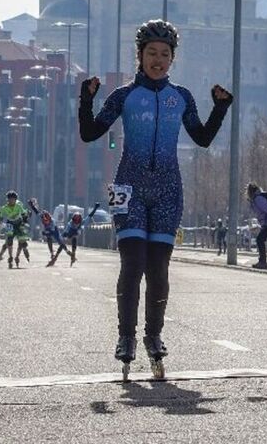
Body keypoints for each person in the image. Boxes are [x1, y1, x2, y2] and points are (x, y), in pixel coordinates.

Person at [78, 19, 232, 376]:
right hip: (128, 187)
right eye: (151, 53)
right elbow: (90, 133)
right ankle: (125, 337)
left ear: (173, 59)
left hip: (168, 189)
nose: (158, 60)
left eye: (165, 54)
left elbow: (203, 138)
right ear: (140, 55)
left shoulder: (182, 97)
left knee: (158, 268)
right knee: (132, 264)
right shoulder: (124, 96)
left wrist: (221, 108)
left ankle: (154, 336)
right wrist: (85, 101)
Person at [0, 191, 29, 269]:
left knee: (23, 242)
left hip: (19, 224)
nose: (11, 201)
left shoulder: (18, 206)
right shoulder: (5, 207)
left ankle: (23, 250)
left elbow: (24, 213)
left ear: (15, 199)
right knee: (9, 241)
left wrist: (25, 219)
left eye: (13, 199)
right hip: (10, 224)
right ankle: (10, 257)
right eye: (9, 199)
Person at [246, 183, 267, 270]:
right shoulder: (255, 199)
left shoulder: (258, 199)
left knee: (260, 239)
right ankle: (262, 261)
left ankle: (263, 262)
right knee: (260, 239)